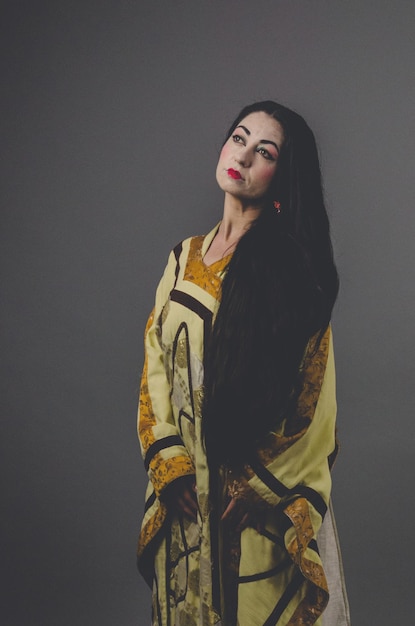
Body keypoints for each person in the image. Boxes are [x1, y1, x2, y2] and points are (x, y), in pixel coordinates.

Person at [136, 101, 350, 626]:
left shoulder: (290, 277)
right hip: (183, 498)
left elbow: (313, 402)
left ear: (283, 175)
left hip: (247, 509)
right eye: (239, 138)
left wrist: (261, 490)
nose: (244, 156)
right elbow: (156, 364)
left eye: (265, 152)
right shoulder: (183, 259)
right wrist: (169, 460)